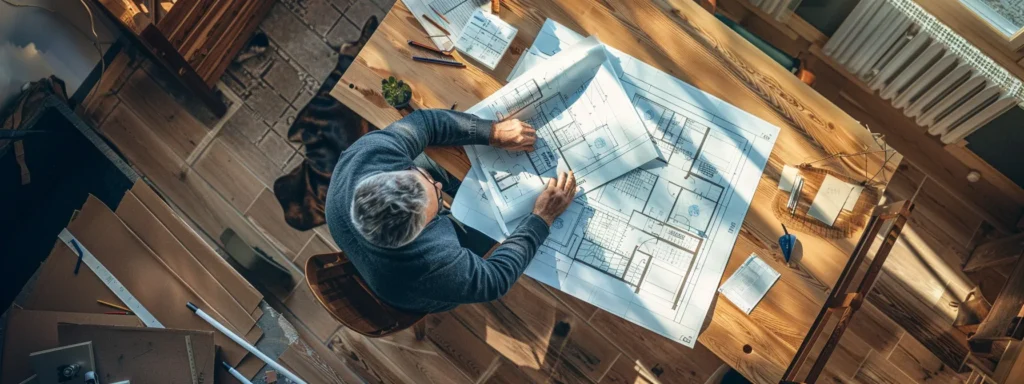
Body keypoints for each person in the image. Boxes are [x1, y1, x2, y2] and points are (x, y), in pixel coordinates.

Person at [325, 109, 577, 313]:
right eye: (437, 198)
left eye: (422, 177)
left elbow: (424, 122)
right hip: (407, 293)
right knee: (506, 220)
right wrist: (541, 218)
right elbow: (495, 280)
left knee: (445, 156)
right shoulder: (431, 266)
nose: (438, 185)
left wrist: (492, 132)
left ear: (392, 171)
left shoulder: (366, 156)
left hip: (369, 253)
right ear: (422, 233)